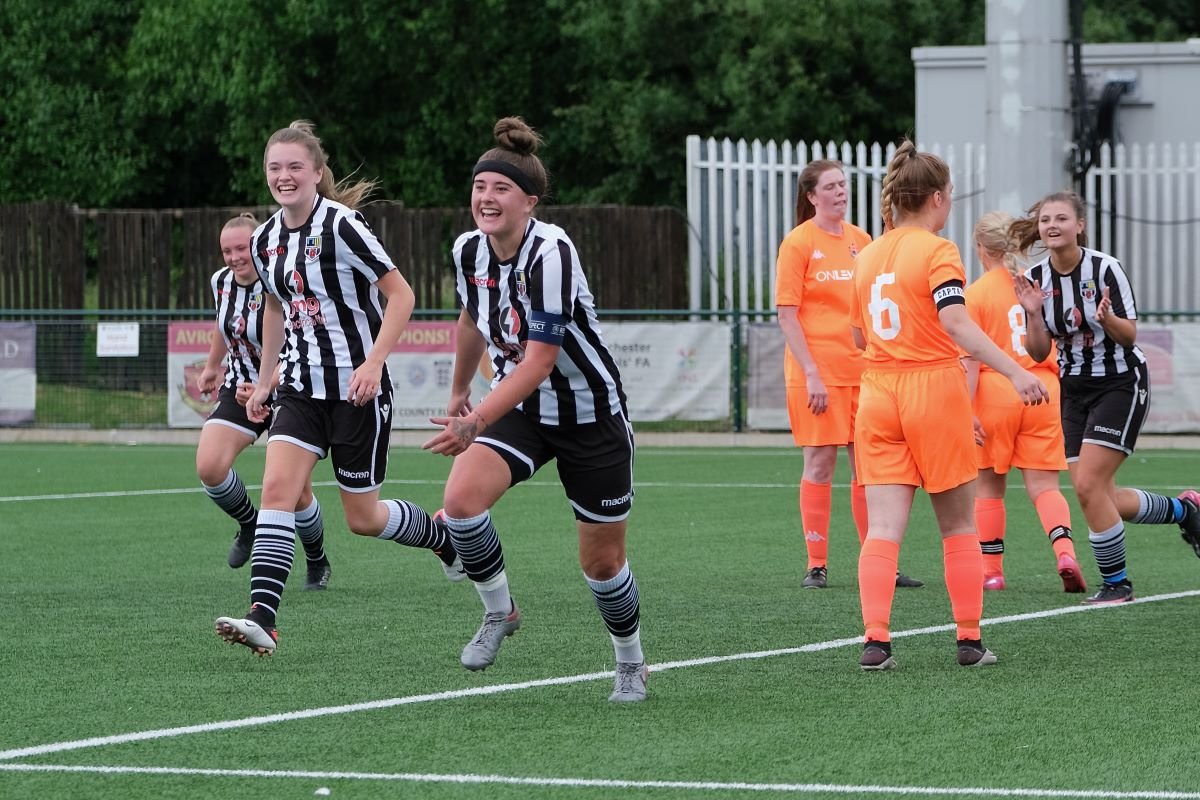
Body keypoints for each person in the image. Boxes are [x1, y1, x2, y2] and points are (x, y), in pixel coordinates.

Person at [214, 120, 465, 657]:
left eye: (295, 167)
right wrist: (264, 380)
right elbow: (276, 308)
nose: (284, 177)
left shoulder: (343, 226)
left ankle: (444, 538)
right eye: (275, 168)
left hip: (356, 393)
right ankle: (263, 617)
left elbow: (402, 296)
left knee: (363, 518)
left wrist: (373, 363)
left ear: (317, 173)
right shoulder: (264, 240)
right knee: (278, 493)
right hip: (301, 390)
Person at [422, 117, 647, 703]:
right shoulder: (467, 249)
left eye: (500, 189)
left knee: (601, 564)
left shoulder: (552, 251)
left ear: (530, 202)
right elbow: (472, 319)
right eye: (479, 187)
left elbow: (540, 361)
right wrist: (457, 396)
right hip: (522, 408)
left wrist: (477, 420)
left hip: (588, 414)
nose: (486, 198)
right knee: (460, 503)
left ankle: (630, 661)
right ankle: (501, 613)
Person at [849, 140, 1049, 671]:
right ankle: (968, 641)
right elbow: (956, 324)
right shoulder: (937, 250)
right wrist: (1015, 370)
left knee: (883, 527)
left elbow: (855, 333)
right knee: (959, 525)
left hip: (877, 392)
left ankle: (876, 641)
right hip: (931, 389)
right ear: (937, 198)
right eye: (952, 194)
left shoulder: (868, 253)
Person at [1010, 190, 1200, 605]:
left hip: (1120, 383)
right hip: (1074, 390)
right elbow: (1039, 352)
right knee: (1101, 495)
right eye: (1045, 220)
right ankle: (1187, 512)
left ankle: (1117, 584)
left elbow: (1130, 334)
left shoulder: (1106, 268)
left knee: (1089, 487)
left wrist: (1107, 318)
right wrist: (1034, 314)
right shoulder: (1037, 279)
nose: (1052, 226)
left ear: (1080, 225)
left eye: (1061, 218)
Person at [775, 159, 922, 590]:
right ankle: (816, 564)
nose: (841, 192)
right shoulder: (798, 243)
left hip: (865, 374)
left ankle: (878, 561)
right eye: (832, 186)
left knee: (871, 468)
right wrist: (812, 373)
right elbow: (787, 315)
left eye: (844, 184)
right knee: (820, 463)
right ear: (812, 196)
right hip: (817, 375)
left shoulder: (861, 239)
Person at [195, 213, 331, 591]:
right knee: (209, 466)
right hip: (239, 387)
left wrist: (264, 387)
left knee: (297, 492)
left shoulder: (283, 282)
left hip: (288, 388)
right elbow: (225, 327)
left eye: (241, 248)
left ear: (258, 246)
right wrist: (211, 367)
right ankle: (250, 524)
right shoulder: (220, 282)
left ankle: (317, 559)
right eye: (227, 250)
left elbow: (294, 342)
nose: (235, 257)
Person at [962, 211, 1086, 594]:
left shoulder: (976, 293)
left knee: (988, 488)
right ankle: (1065, 552)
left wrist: (966, 411)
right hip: (1043, 389)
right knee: (1045, 487)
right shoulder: (1040, 286)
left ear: (981, 248)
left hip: (996, 390)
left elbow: (968, 358)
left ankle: (991, 571)